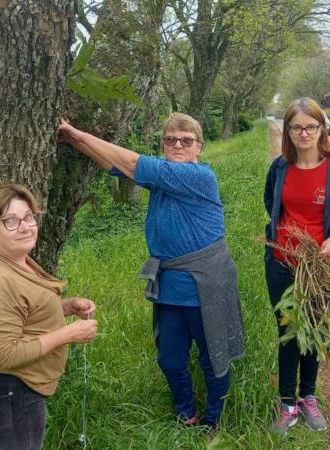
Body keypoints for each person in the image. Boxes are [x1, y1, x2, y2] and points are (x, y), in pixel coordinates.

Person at [57, 113, 244, 430]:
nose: (177, 144)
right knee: (170, 360)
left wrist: (78, 132)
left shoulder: (199, 176)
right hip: (171, 285)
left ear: (199, 146)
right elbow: (115, 166)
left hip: (206, 284)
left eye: (186, 139)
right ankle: (187, 415)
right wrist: (76, 141)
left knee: (214, 357)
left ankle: (213, 421)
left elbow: (129, 164)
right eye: (170, 139)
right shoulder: (163, 176)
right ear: (163, 145)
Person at [0, 182, 99, 450]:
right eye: (10, 221)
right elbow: (2, 354)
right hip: (10, 393)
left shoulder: (10, 258)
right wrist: (68, 334)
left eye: (28, 217)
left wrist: (65, 307)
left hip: (15, 389)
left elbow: (19, 312)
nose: (25, 227)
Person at [263, 97, 330, 434]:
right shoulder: (279, 167)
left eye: (310, 127)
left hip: (321, 268)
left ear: (322, 128)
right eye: (296, 128)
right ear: (287, 131)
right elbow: (270, 204)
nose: (303, 133)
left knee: (314, 332)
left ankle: (308, 396)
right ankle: (287, 403)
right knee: (288, 332)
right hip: (282, 264)